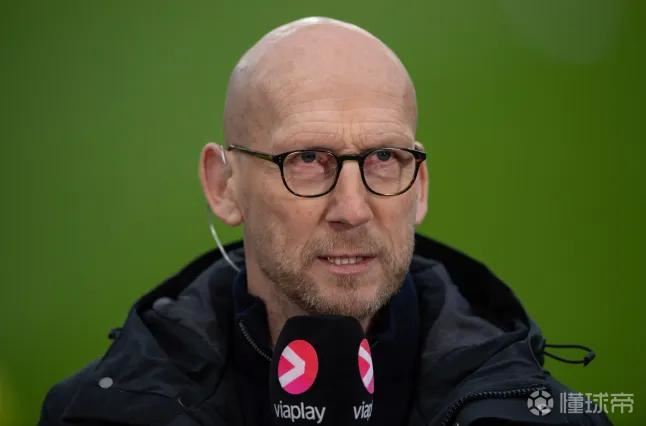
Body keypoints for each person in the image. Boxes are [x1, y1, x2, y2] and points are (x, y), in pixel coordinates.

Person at [39, 17, 611, 426]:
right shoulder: (95, 411)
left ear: (420, 188)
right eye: (308, 159)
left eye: (384, 157)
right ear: (223, 185)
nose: (353, 209)